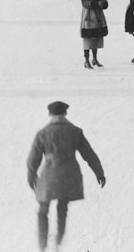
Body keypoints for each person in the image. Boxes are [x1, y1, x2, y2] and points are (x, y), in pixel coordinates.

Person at [26, 101, 105, 252]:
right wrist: (99, 173)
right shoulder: (75, 132)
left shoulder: (43, 133)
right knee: (62, 207)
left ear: (50, 115)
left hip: (49, 176)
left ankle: (42, 246)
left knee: (43, 209)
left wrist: (31, 177)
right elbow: (89, 154)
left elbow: (33, 159)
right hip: (69, 176)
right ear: (65, 114)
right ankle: (58, 243)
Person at [80, 0, 108, 69]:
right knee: (88, 39)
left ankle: (95, 59)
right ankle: (87, 60)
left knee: (96, 39)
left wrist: (103, 3)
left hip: (98, 18)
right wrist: (97, 3)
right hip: (89, 18)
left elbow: (105, 3)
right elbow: (86, 4)